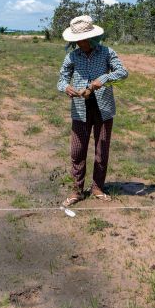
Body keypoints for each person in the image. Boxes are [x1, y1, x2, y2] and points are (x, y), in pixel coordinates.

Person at [56, 15, 128, 207]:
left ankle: (97, 187)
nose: (80, 43)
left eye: (84, 39)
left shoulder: (106, 53)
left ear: (92, 38)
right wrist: (66, 88)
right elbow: (61, 79)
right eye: (77, 40)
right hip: (80, 109)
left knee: (101, 149)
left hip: (104, 108)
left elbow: (123, 72)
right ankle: (77, 190)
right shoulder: (72, 56)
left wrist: (103, 79)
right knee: (77, 150)